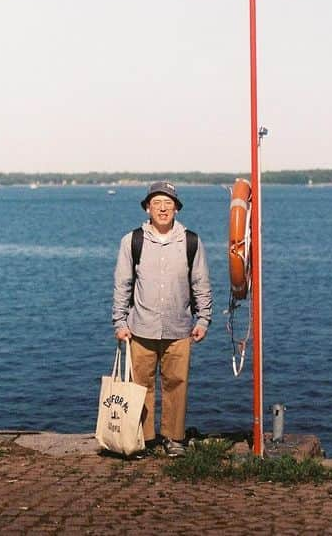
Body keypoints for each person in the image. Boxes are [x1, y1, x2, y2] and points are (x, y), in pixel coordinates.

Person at [112, 180, 212, 457]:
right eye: (157, 203)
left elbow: (201, 284)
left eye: (168, 203)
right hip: (140, 328)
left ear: (176, 209)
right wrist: (120, 323)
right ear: (147, 209)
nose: (163, 208)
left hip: (180, 328)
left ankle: (174, 438)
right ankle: (142, 438)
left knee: (176, 385)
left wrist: (203, 320)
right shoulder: (133, 241)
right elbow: (123, 284)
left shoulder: (191, 241)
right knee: (139, 386)